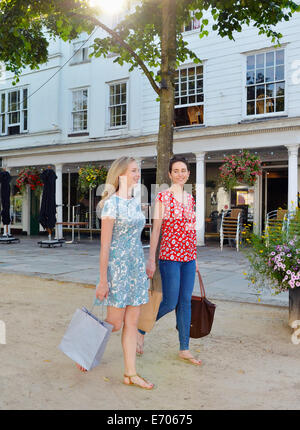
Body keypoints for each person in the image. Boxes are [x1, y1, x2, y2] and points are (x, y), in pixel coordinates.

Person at [76, 156, 154, 390]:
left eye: (137, 171)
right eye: (133, 171)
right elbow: (105, 246)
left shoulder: (135, 202)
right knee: (115, 323)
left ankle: (130, 374)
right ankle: (84, 349)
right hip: (117, 269)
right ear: (120, 174)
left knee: (132, 322)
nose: (137, 175)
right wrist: (102, 280)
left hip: (136, 267)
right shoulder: (110, 205)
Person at [137, 156, 202, 366]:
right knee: (170, 301)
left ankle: (184, 348)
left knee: (185, 302)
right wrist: (151, 260)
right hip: (169, 258)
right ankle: (139, 329)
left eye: (184, 170)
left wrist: (196, 258)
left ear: (188, 174)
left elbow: (191, 230)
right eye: (176, 170)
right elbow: (156, 230)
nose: (180, 174)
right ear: (170, 174)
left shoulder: (190, 198)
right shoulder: (162, 198)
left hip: (189, 258)